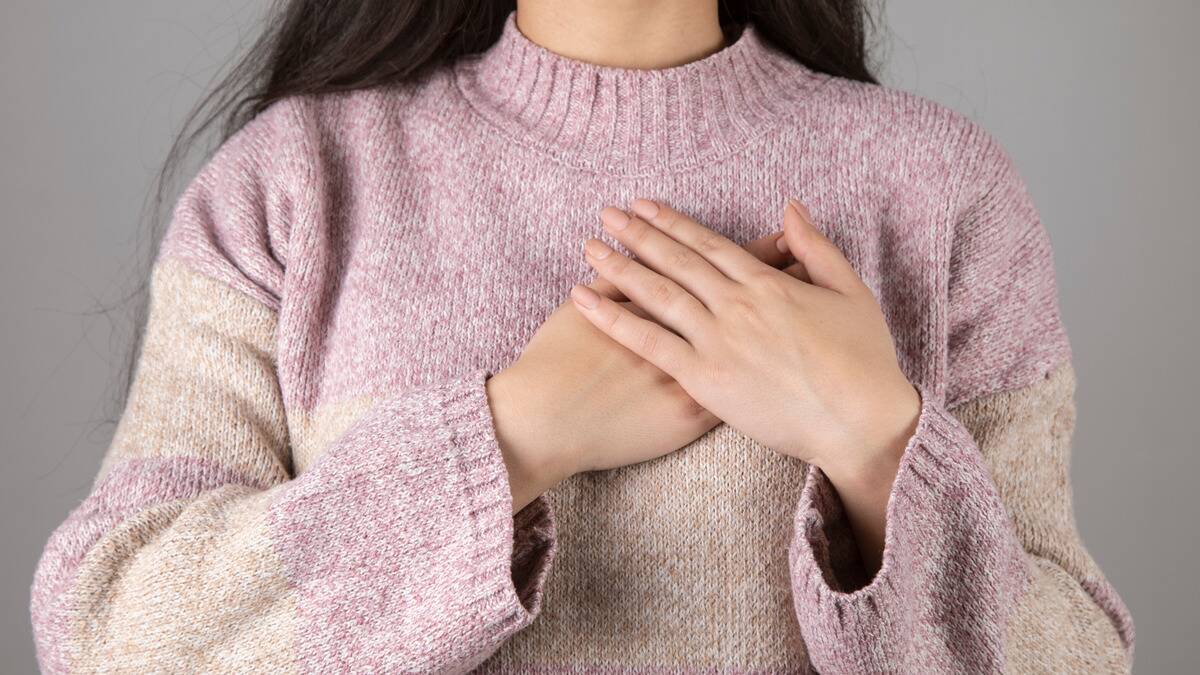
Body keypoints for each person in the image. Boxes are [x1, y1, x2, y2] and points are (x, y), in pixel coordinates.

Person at [30, 1, 1134, 672]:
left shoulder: (941, 192)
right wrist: (506, 441)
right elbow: (106, 634)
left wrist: (872, 441)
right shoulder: (293, 187)